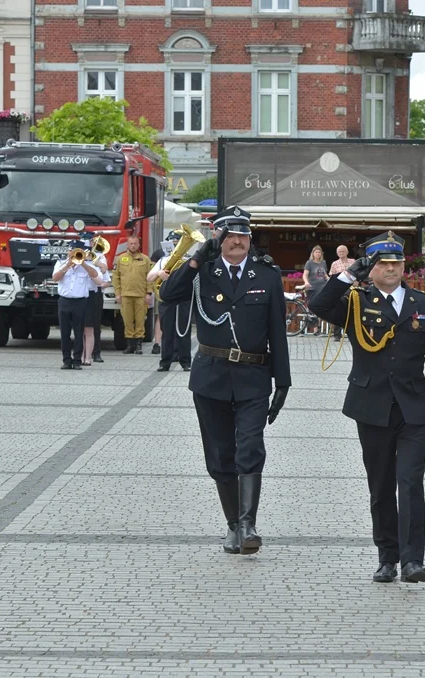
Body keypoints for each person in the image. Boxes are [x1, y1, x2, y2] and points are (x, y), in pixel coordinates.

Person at [309, 231, 425, 584]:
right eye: (383, 263)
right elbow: (319, 306)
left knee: (410, 482)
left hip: (414, 409)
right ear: (371, 268)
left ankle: (412, 560)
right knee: (382, 485)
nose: (391, 268)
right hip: (372, 406)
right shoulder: (357, 301)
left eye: (397, 262)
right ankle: (387, 558)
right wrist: (348, 275)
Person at [159, 206, 291, 556]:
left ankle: (248, 524)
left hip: (253, 376)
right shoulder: (204, 272)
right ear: (218, 239)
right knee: (220, 455)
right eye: (230, 235)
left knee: (250, 448)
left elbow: (278, 331)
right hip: (211, 376)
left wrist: (284, 382)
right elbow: (168, 295)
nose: (237, 241)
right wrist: (196, 258)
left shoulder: (266, 275)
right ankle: (233, 524)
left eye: (243, 235)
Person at [51, 238, 103, 370]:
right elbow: (55, 278)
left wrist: (83, 263)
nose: (73, 254)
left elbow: (95, 274)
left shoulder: (86, 266)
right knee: (64, 333)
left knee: (79, 332)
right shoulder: (60, 263)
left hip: (80, 302)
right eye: (71, 251)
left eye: (76, 252)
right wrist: (68, 265)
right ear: (69, 251)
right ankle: (66, 360)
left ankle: (77, 360)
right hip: (65, 301)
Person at [147, 230, 193, 372]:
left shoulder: (188, 260)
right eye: (172, 242)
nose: (174, 244)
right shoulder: (162, 260)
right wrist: (159, 273)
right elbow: (149, 278)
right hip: (166, 299)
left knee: (184, 331)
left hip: (183, 298)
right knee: (167, 331)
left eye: (176, 242)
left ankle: (185, 361)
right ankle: (165, 362)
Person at [113, 235, 153, 354]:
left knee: (140, 320)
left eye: (135, 243)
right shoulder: (121, 259)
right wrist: (117, 293)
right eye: (131, 243)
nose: (133, 246)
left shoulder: (145, 259)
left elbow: (150, 278)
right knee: (127, 320)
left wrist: (149, 293)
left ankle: (139, 345)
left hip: (140, 295)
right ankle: (130, 345)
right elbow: (116, 277)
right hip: (125, 295)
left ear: (139, 245)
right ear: (127, 245)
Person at [81, 239, 110, 366]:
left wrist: (93, 259)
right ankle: (81, 354)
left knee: (95, 323)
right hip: (81, 292)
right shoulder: (78, 254)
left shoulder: (99, 255)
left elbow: (104, 270)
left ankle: (96, 352)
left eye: (91, 242)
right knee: (81, 326)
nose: (90, 244)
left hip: (95, 292)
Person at [328, 245, 356, 341]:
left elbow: (358, 273)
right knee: (338, 311)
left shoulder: (353, 262)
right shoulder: (334, 264)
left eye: (343, 251)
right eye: (339, 252)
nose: (341, 253)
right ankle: (336, 335)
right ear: (337, 253)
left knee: (352, 311)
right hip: (339, 289)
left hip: (352, 288)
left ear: (347, 252)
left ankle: (351, 334)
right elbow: (331, 277)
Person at [303, 246, 329, 336]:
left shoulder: (323, 263)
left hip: (321, 287)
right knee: (311, 307)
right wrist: (306, 282)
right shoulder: (309, 263)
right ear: (313, 253)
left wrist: (329, 279)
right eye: (316, 252)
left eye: (319, 252)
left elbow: (324, 274)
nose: (318, 254)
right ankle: (312, 329)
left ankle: (316, 329)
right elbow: (305, 274)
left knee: (319, 306)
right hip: (312, 287)